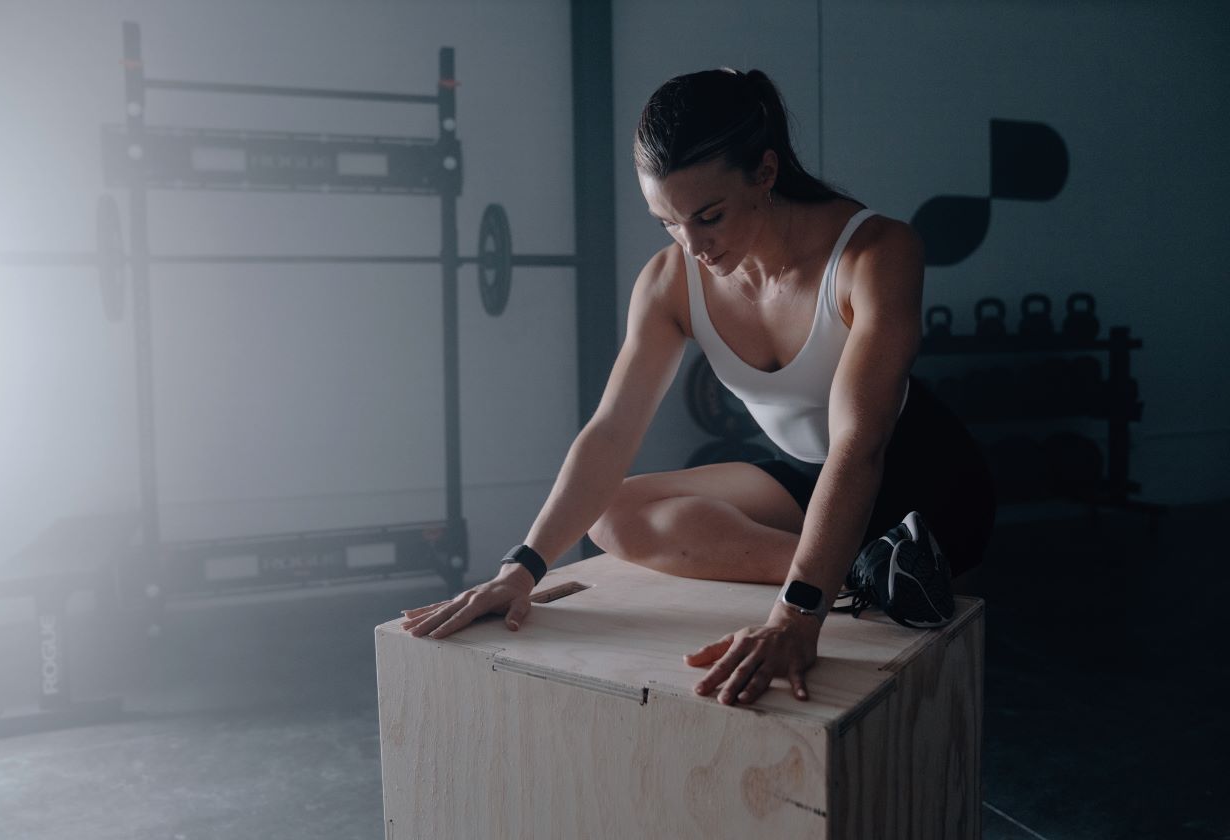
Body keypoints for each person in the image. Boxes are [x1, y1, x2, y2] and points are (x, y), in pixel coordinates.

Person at [402, 68, 995, 707]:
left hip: (922, 484)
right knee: (615, 513)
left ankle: (873, 563)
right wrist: (518, 571)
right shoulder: (669, 281)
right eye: (667, 222)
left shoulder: (875, 252)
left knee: (847, 493)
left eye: (708, 216)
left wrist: (798, 613)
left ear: (766, 172)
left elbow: (859, 446)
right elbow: (612, 430)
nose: (693, 245)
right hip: (805, 475)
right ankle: (868, 573)